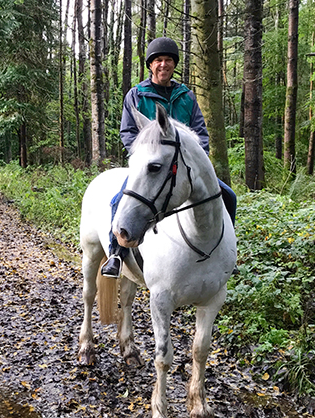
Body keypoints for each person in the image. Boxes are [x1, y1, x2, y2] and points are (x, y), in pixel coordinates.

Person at [101, 36, 237, 278]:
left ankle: (225, 254)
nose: (163, 64)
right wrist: (145, 156)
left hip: (184, 167)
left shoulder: (186, 96)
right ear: (151, 65)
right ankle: (116, 254)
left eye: (168, 60)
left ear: (174, 65)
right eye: (158, 60)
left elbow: (200, 133)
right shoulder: (137, 95)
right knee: (116, 200)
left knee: (228, 195)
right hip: (149, 166)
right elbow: (128, 132)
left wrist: (196, 161)